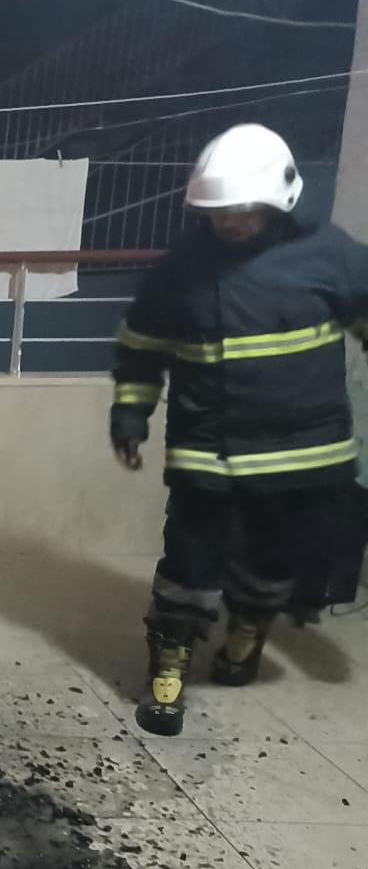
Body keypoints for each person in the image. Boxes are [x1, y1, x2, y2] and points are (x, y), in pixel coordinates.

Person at [112, 123, 368, 737]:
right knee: (187, 562)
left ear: (277, 201)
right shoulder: (181, 271)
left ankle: (247, 633)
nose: (229, 221)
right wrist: (130, 412)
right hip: (208, 448)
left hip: (301, 453)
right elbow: (142, 347)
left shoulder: (330, 256)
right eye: (218, 211)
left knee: (273, 561)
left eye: (241, 210)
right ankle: (168, 673)